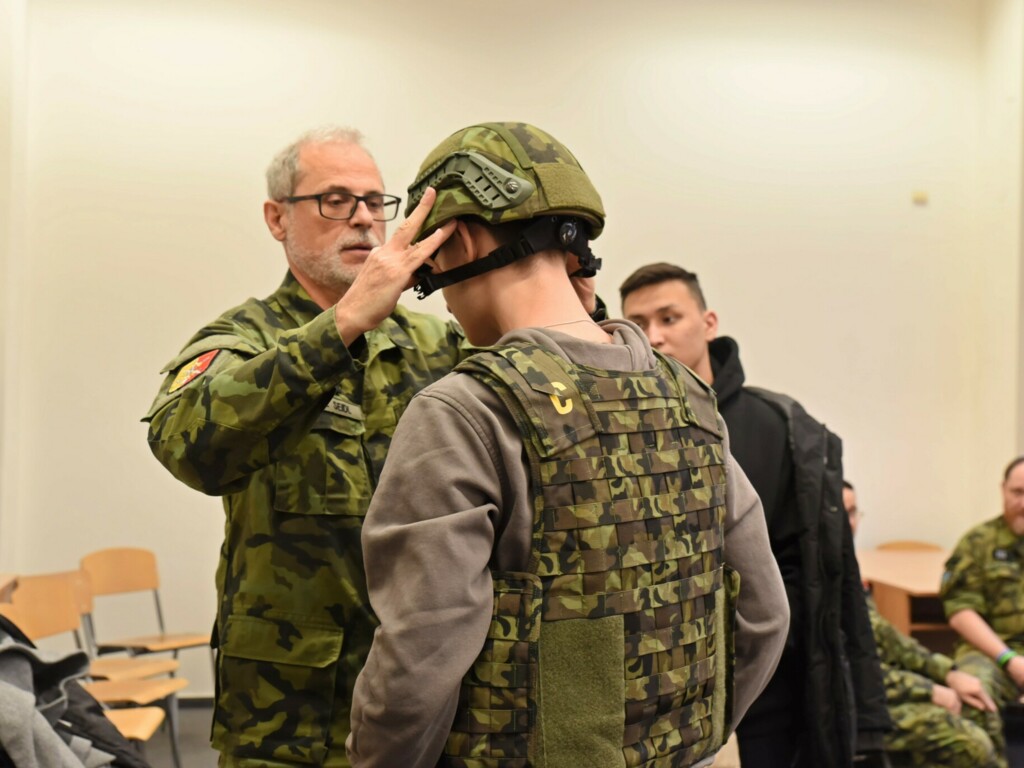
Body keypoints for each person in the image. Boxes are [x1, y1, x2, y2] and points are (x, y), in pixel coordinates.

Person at [346, 122, 790, 768]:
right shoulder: (688, 396)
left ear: (459, 241)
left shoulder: (463, 411)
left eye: (429, 271)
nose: (443, 302)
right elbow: (764, 614)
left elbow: (420, 657)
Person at [144, 126, 476, 767]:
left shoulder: (437, 347)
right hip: (290, 717)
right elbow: (187, 444)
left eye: (375, 201)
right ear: (278, 218)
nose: (363, 219)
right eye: (335, 200)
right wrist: (344, 324)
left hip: (423, 703)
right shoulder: (246, 337)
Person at [620, 263, 891, 768]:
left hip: (768, 688)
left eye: (669, 318)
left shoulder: (778, 427)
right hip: (654, 690)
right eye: (638, 324)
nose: (654, 336)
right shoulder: (618, 430)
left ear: (708, 323)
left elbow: (812, 571)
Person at [844, 480, 1000, 768]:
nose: (849, 522)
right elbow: (854, 670)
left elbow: (894, 642)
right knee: (971, 743)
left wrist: (948, 673)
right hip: (855, 707)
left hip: (885, 691)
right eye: (840, 512)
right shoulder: (820, 582)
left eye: (853, 513)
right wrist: (930, 690)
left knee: (978, 706)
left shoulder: (848, 571)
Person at [940, 455, 1024, 765]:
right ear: (1003, 490)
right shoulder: (978, 542)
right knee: (972, 692)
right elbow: (960, 611)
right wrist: (1010, 660)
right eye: (1018, 493)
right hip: (992, 653)